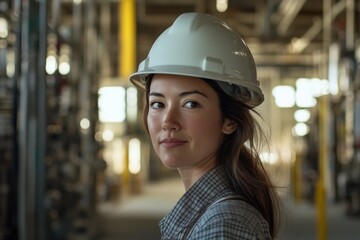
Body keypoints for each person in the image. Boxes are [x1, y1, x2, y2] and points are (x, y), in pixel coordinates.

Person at [130, 12, 281, 240]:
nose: (168, 122)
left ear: (229, 120)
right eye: (158, 103)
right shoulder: (210, 215)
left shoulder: (221, 226)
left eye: (191, 103)